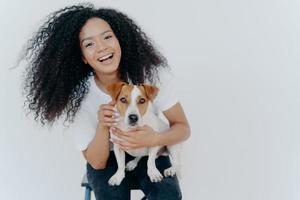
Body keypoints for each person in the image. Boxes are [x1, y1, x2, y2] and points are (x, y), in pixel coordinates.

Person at [20, 3, 190, 200]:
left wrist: (155, 139)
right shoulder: (78, 97)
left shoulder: (151, 75)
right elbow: (97, 163)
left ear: (120, 40)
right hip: (107, 156)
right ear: (82, 57)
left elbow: (183, 128)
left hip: (152, 150)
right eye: (89, 44)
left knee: (168, 196)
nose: (102, 47)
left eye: (107, 37)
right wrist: (103, 125)